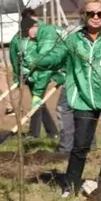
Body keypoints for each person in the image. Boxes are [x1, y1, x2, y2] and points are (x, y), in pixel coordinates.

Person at [29, 0, 101, 197]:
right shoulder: (73, 41)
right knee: (79, 145)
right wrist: (35, 60)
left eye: (100, 13)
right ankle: (70, 187)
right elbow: (55, 57)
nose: (96, 17)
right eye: (91, 13)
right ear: (83, 15)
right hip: (83, 101)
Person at [11, 12, 69, 146]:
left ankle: (66, 143)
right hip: (64, 69)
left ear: (35, 25)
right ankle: (52, 133)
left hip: (72, 71)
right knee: (48, 104)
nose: (27, 35)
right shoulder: (43, 32)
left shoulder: (46, 35)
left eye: (27, 31)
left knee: (65, 109)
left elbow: (45, 64)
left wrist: (37, 93)